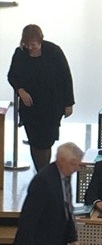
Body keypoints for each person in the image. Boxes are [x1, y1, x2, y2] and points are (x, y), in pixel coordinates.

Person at [8, 24, 75, 171]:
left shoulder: (54, 51)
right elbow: (12, 76)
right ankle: (41, 173)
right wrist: (20, 91)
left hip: (52, 106)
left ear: (40, 40)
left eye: (34, 44)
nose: (31, 48)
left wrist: (69, 103)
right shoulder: (20, 53)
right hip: (30, 106)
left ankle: (43, 173)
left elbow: (66, 77)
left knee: (46, 142)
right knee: (34, 141)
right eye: (27, 45)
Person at [15, 142, 84, 245]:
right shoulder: (43, 181)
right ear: (61, 161)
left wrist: (72, 238)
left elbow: (67, 209)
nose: (77, 169)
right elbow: (29, 218)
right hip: (42, 239)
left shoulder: (65, 175)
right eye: (73, 164)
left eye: (78, 164)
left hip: (58, 237)